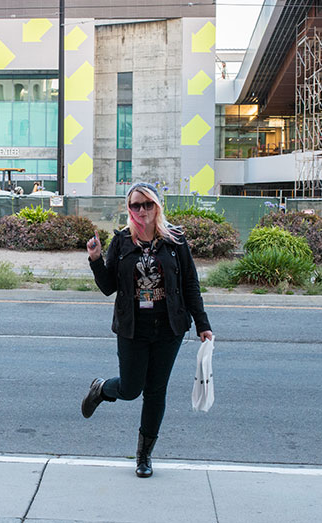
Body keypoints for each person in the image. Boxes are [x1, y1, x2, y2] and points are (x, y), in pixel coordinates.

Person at [83, 181, 213, 478]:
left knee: (155, 391)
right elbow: (108, 288)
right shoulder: (121, 241)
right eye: (135, 205)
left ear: (158, 206)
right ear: (129, 209)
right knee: (130, 389)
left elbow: (190, 284)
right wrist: (95, 259)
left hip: (169, 327)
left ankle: (143, 456)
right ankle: (101, 389)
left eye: (147, 204)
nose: (141, 210)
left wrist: (203, 324)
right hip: (133, 326)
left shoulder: (176, 240)